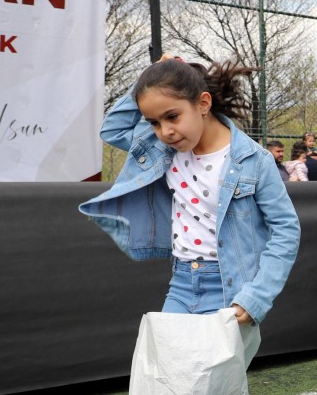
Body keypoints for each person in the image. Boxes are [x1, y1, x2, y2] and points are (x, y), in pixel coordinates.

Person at [82, 58, 300, 327]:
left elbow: (286, 230)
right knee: (166, 355)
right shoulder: (161, 149)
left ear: (203, 104)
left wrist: (257, 296)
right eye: (154, 122)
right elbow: (112, 130)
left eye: (172, 116)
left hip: (231, 288)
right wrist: (145, 81)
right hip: (181, 284)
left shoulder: (254, 161)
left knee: (212, 358)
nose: (165, 131)